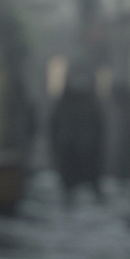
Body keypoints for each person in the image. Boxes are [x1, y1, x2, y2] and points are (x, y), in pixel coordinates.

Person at [49, 67, 105, 203]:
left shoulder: (91, 102)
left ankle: (95, 197)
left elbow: (99, 125)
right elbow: (55, 125)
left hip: (88, 146)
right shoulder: (65, 102)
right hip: (69, 146)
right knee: (69, 178)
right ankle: (68, 196)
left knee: (91, 174)